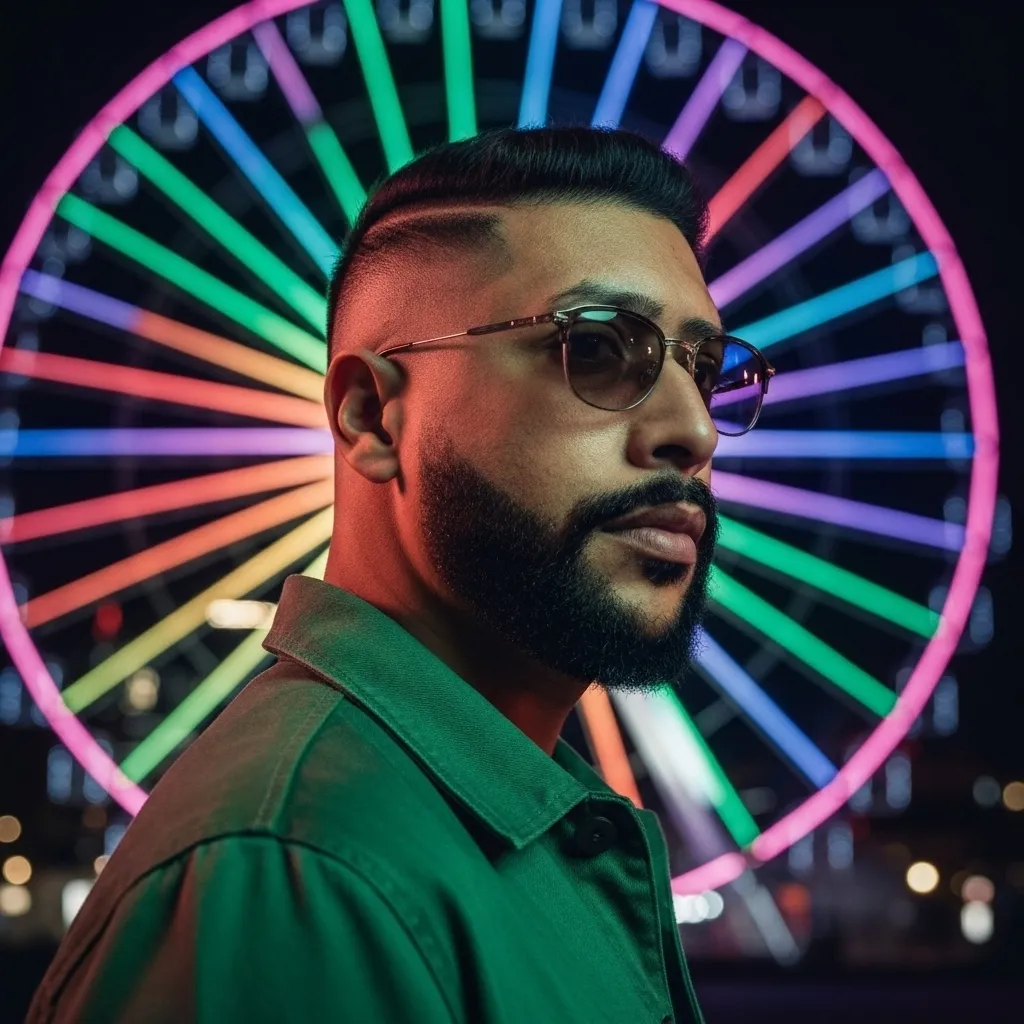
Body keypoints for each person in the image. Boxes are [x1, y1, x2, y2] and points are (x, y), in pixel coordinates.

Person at [28, 125, 773, 1023]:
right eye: (598, 349)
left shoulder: (503, 833)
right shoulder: (295, 878)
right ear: (371, 416)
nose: (694, 431)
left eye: (705, 370)